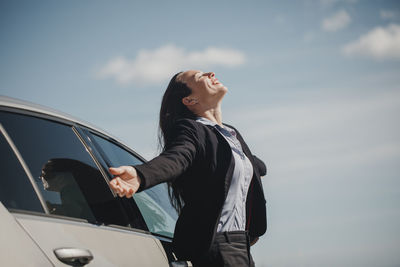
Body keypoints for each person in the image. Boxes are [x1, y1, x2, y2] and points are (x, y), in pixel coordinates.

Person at [109, 70, 267, 267]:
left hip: (241, 246)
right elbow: (176, 158)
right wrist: (141, 175)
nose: (211, 73)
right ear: (189, 100)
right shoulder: (191, 130)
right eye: (200, 76)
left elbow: (244, 165)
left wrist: (256, 167)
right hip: (215, 249)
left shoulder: (231, 133)